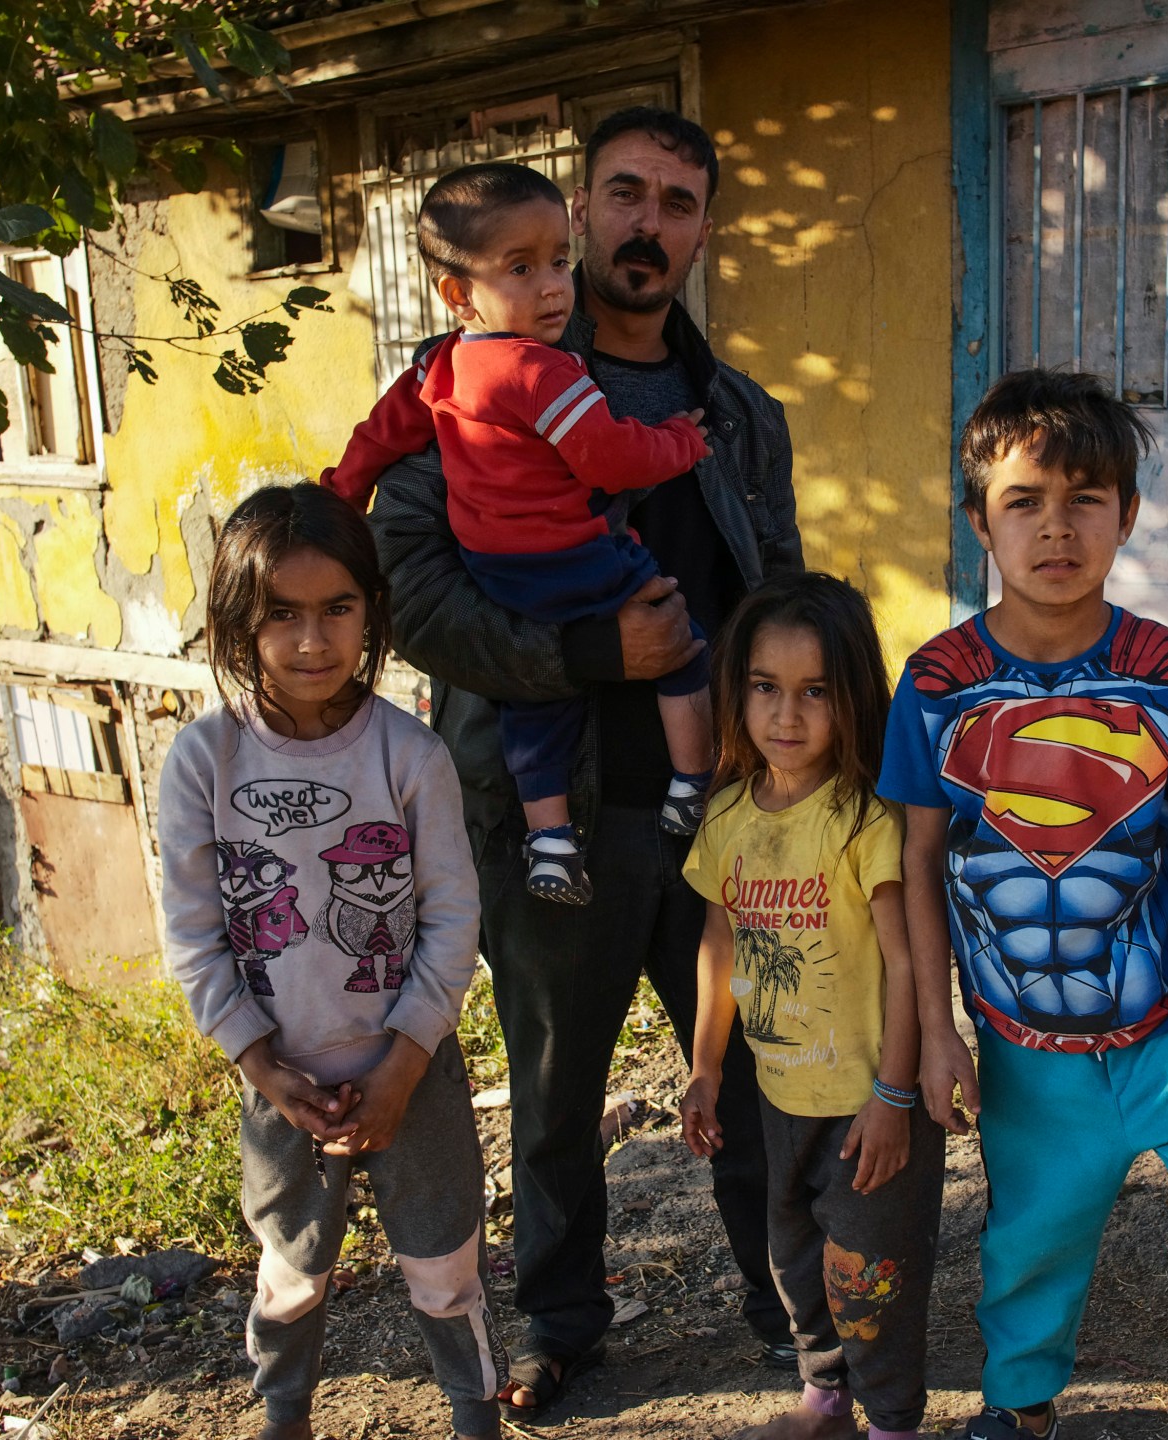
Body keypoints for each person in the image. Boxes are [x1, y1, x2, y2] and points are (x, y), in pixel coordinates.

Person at [367, 105, 805, 1417]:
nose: (646, 225)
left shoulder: (739, 415)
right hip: (546, 802)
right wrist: (586, 652)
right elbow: (417, 604)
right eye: (626, 195)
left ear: (702, 232)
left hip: (721, 811)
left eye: (679, 203)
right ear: (577, 215)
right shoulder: (464, 392)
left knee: (762, 1070)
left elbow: (779, 596)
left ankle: (787, 1303)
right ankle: (563, 1324)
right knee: (556, 1094)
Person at [880, 371, 1168, 1440]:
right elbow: (917, 864)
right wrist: (938, 1034)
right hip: (1023, 1055)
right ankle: (1022, 1406)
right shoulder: (937, 682)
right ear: (977, 519)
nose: (1056, 527)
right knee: (1028, 1247)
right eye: (1024, 500)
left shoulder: (1167, 671)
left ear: (1126, 515)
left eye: (1086, 498)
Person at [157, 485, 497, 1440]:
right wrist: (263, 1067)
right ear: (236, 622)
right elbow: (193, 933)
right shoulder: (203, 763)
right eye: (281, 615)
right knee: (291, 1269)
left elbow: (451, 917)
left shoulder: (408, 753)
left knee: (445, 1265)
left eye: (337, 609)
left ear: (371, 614)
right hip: (281, 1077)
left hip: (411, 1070)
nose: (313, 640)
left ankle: (477, 1416)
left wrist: (404, 1062)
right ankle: (285, 1417)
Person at [320, 162, 719, 904]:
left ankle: (551, 843)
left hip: (500, 572)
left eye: (557, 263)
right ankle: (693, 784)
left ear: (704, 230)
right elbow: (608, 457)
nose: (551, 286)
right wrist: (679, 442)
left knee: (537, 708)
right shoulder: (544, 373)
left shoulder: (439, 369)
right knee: (682, 645)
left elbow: (377, 434)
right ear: (456, 294)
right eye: (521, 267)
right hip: (573, 560)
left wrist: (339, 492)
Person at [678, 573, 944, 1440]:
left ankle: (893, 1422)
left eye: (814, 693)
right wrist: (706, 1068)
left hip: (870, 1106)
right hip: (781, 1097)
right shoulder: (726, 819)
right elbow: (719, 945)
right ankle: (826, 1403)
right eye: (765, 688)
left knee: (871, 1278)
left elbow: (906, 964)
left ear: (852, 698)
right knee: (794, 1261)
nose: (785, 716)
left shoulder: (865, 821)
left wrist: (896, 1096)